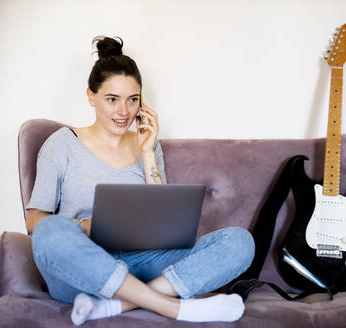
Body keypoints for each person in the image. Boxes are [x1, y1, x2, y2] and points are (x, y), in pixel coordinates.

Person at [26, 36, 255, 325]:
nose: (124, 112)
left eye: (133, 99)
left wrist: (147, 152)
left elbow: (163, 219)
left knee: (240, 242)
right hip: (88, 266)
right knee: (50, 232)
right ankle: (174, 307)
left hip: (144, 261)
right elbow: (34, 220)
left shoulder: (148, 144)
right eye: (112, 99)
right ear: (90, 96)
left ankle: (116, 305)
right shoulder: (62, 144)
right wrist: (85, 226)